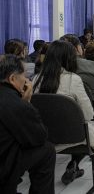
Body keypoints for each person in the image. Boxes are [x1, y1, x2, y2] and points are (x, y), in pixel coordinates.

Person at [33, 40, 94, 185]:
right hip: (72, 135)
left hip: (45, 135)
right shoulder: (73, 80)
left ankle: (74, 166)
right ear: (69, 59)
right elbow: (88, 114)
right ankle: (75, 164)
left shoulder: (36, 79)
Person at [0, 55, 55, 194]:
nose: (26, 80)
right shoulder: (14, 103)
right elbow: (39, 137)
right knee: (46, 150)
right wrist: (26, 103)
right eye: (24, 75)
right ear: (12, 78)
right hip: (3, 165)